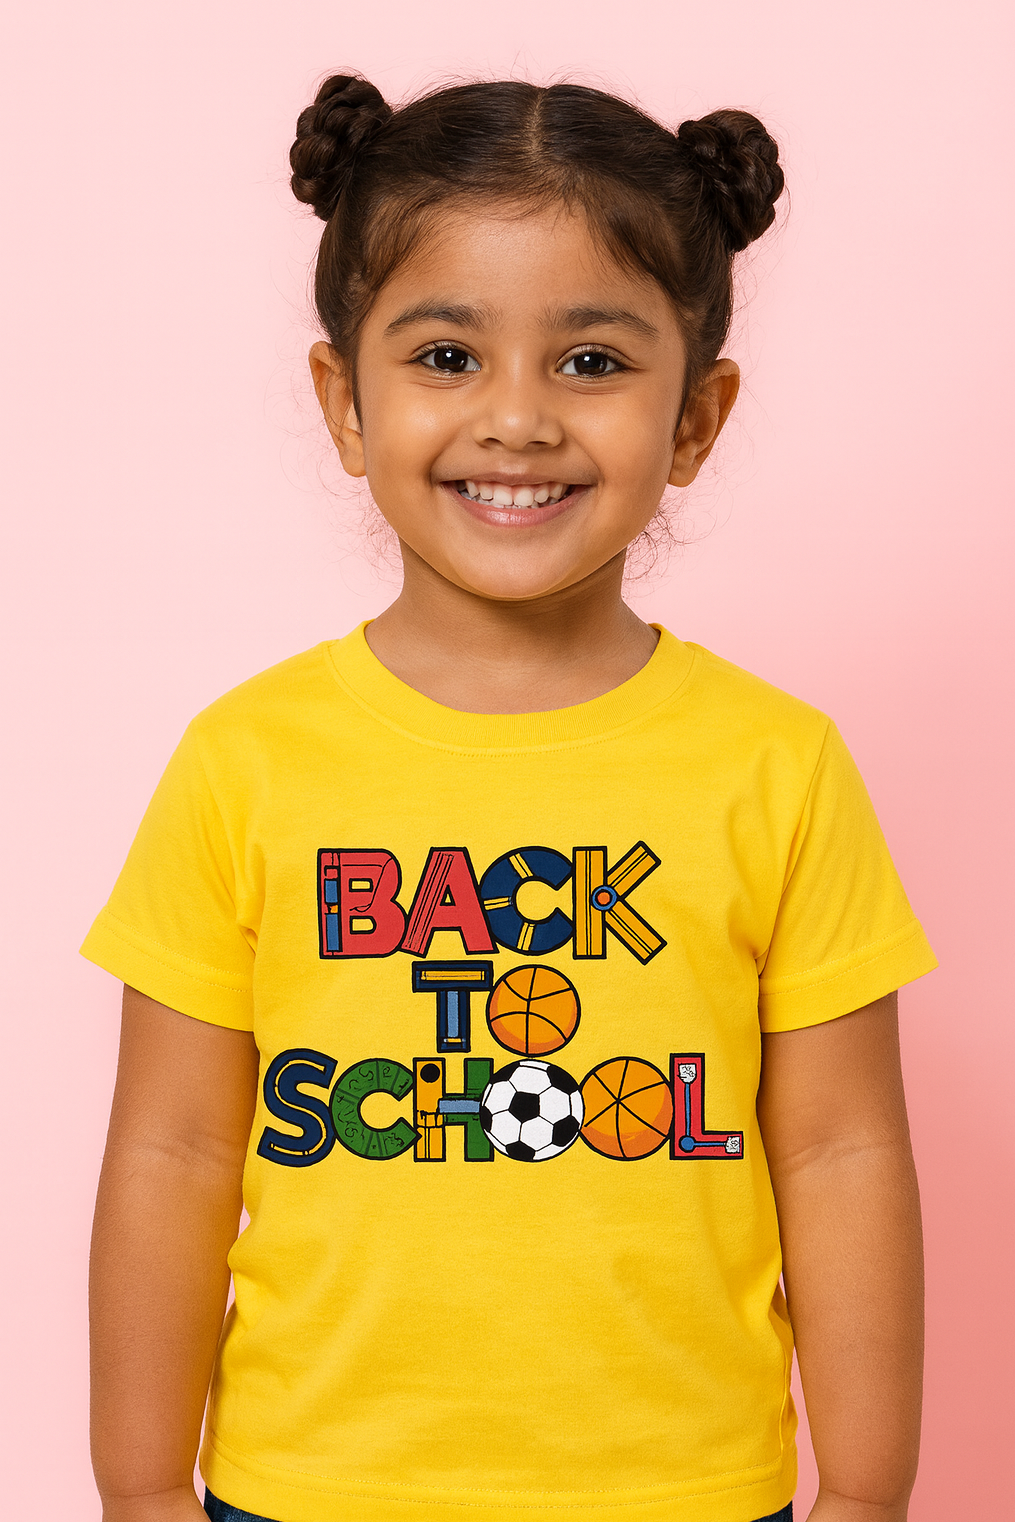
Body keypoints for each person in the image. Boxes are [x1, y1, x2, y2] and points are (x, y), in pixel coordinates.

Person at [83, 74, 937, 1522]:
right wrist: (142, 1483)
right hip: (309, 1489)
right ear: (344, 400)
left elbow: (840, 1144)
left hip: (680, 1491)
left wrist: (861, 1491)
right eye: (445, 353)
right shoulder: (246, 757)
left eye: (593, 360)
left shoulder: (775, 762)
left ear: (695, 418)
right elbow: (173, 1145)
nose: (520, 419)